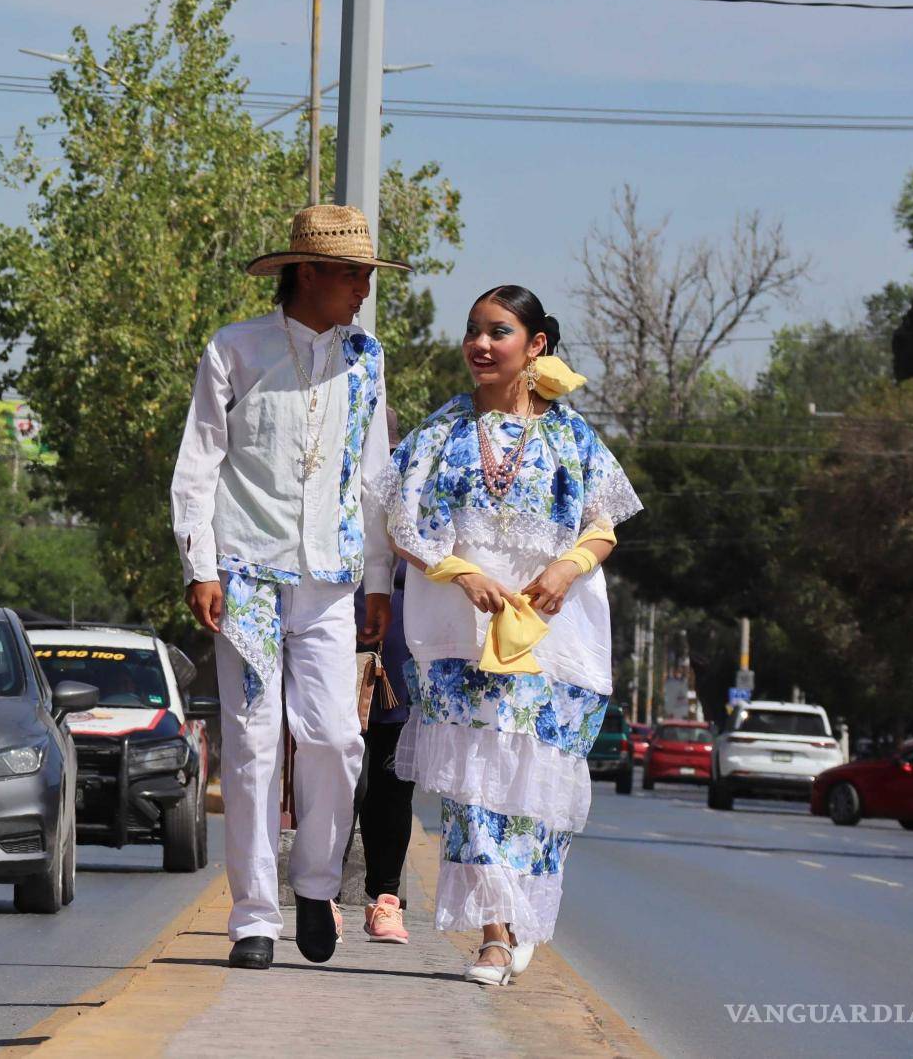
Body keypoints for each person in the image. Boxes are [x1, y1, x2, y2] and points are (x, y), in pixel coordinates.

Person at [384, 284, 640, 986]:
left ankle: (523, 915)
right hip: (462, 635)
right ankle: (494, 936)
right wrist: (461, 572)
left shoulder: (571, 434)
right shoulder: (438, 434)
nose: (480, 344)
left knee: (537, 782)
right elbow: (402, 526)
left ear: (536, 346)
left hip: (552, 635)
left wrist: (567, 566)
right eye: (472, 330)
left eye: (498, 331)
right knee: (472, 784)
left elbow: (603, 521)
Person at [170, 204, 403, 970]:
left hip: (332, 579)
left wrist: (379, 578)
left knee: (337, 737)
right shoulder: (235, 350)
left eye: (369, 274)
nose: (366, 288)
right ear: (311, 273)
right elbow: (199, 462)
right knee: (253, 746)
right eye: (355, 275)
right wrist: (199, 562)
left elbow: (374, 477)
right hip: (246, 573)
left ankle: (315, 881)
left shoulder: (367, 357)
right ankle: (254, 918)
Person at [352, 553, 414, 945]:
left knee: (392, 787)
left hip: (401, 669)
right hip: (338, 652)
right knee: (342, 783)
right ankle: (322, 897)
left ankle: (384, 900)